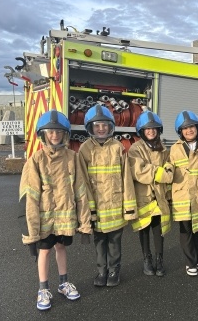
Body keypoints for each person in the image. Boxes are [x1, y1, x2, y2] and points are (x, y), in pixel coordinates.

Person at [18, 109, 92, 311]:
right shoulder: (36, 160)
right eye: (50, 131)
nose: (54, 135)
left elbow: (80, 190)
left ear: (65, 134)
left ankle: (63, 283)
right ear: (43, 134)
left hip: (65, 218)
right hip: (44, 220)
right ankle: (43, 289)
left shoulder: (72, 157)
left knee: (61, 248)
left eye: (58, 132)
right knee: (44, 251)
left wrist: (84, 222)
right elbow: (31, 196)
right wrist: (32, 231)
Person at [78, 104, 137, 287]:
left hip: (115, 205)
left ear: (110, 126)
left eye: (104, 125)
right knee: (99, 243)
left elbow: (126, 178)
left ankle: (114, 270)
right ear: (90, 127)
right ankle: (101, 271)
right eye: (97, 125)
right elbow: (83, 182)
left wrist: (128, 208)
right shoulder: (84, 149)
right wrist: (89, 210)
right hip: (96, 207)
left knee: (114, 243)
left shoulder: (118, 147)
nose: (101, 129)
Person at [169, 110, 198, 276]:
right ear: (180, 131)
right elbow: (170, 174)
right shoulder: (174, 150)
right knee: (186, 230)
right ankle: (190, 262)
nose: (189, 130)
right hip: (182, 197)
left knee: (197, 229)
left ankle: (197, 258)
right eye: (185, 128)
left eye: (192, 127)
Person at [128, 111, 173, 277]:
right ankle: (147, 260)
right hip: (144, 197)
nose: (151, 132)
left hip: (159, 196)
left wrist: (167, 173)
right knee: (144, 229)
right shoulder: (135, 149)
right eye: (148, 129)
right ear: (141, 131)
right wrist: (161, 173)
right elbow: (138, 171)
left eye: (154, 129)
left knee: (158, 229)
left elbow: (170, 166)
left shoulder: (163, 148)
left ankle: (159, 259)